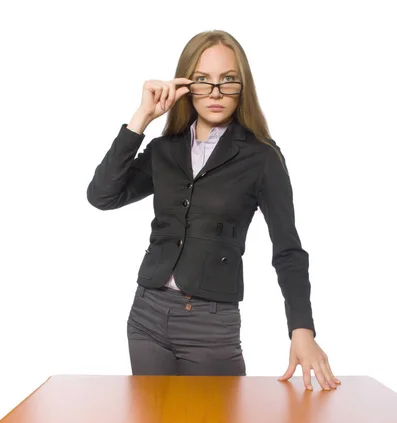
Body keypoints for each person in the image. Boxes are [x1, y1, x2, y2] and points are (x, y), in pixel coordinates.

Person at [87, 30, 341, 391]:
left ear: (243, 85)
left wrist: (302, 329)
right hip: (147, 315)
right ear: (186, 86)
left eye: (228, 81)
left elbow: (288, 249)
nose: (216, 93)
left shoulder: (261, 157)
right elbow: (103, 195)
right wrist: (142, 118)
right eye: (203, 81)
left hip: (210, 323)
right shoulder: (165, 150)